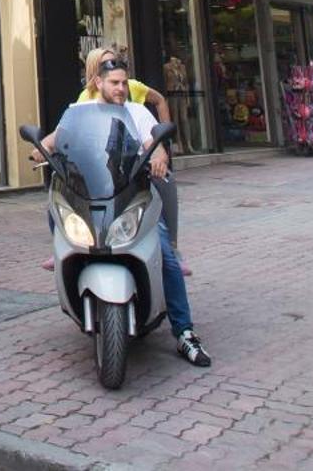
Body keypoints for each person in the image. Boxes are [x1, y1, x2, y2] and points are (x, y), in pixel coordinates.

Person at [40, 56, 210, 366]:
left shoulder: (136, 112)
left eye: (123, 83)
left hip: (133, 196)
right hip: (97, 197)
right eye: (114, 83)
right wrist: (40, 147)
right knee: (58, 212)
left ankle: (185, 331)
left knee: (166, 256)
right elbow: (57, 139)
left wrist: (159, 154)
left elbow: (152, 141)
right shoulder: (79, 113)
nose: (120, 89)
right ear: (98, 83)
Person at [79, 47, 171, 127]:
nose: (120, 88)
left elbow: (159, 100)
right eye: (106, 65)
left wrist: (166, 135)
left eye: (115, 62)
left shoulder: (132, 86)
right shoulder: (86, 96)